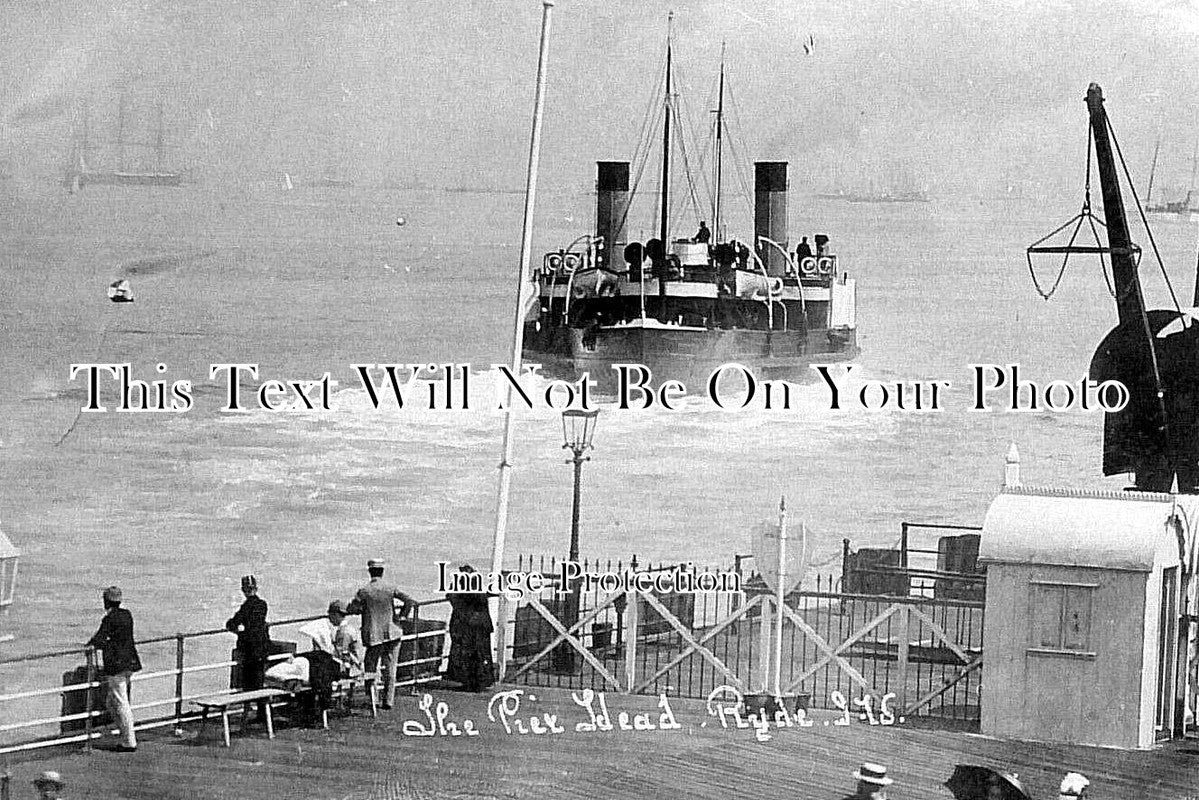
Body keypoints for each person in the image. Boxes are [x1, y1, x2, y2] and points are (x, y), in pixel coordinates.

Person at [346, 559, 414, 709]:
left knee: (370, 668)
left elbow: (352, 608)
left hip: (373, 635)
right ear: (382, 572)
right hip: (393, 632)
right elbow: (409, 601)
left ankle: (373, 699)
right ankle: (388, 700)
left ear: (370, 572)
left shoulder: (364, 591)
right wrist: (402, 616)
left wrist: (359, 609)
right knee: (391, 668)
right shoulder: (390, 588)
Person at [86, 586, 141, 752]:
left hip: (116, 665)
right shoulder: (127, 615)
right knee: (111, 702)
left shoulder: (109, 619)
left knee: (121, 702)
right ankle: (121, 733)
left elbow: (100, 638)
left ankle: (129, 741)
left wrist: (91, 645)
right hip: (129, 662)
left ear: (106, 602)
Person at [225, 575, 270, 722]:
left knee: (249, 683)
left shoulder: (246, 607)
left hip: (250, 650)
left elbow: (232, 623)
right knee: (259, 682)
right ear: (256, 589)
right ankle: (262, 714)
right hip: (262, 648)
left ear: (243, 590)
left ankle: (250, 713)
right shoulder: (263, 605)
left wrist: (239, 630)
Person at [445, 565, 495, 693]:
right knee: (479, 654)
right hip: (479, 625)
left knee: (470, 655)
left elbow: (452, 597)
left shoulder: (469, 590)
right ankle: (478, 682)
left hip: (471, 625)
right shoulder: (476, 588)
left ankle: (471, 683)